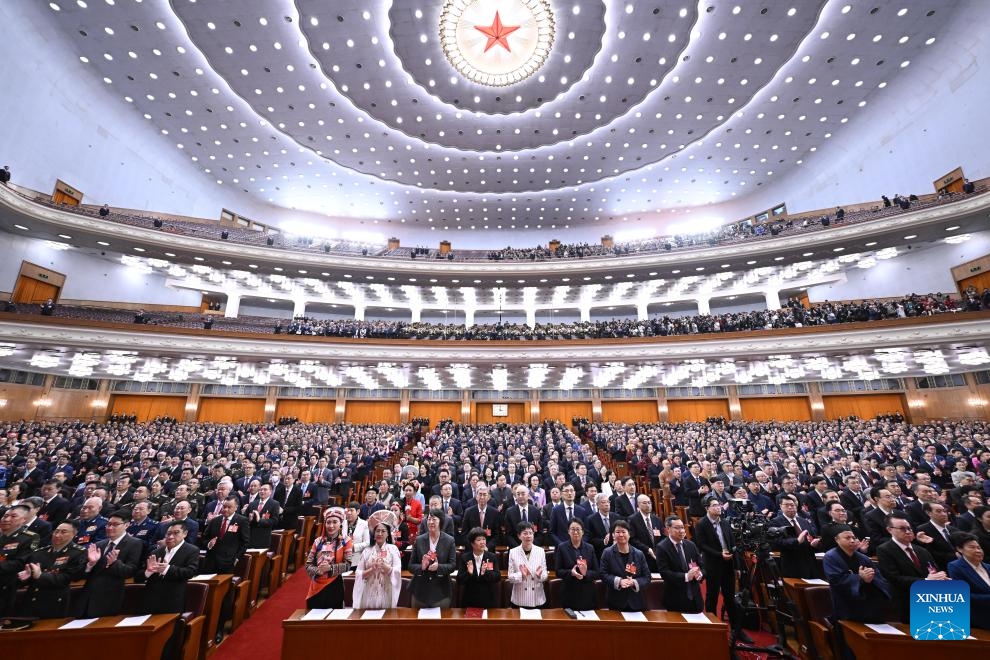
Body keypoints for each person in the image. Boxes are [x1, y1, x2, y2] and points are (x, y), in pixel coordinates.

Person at [876, 511, 948, 623]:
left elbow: (933, 570)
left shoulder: (922, 550)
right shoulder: (884, 550)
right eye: (902, 529)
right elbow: (894, 578)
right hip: (907, 602)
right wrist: (925, 581)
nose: (908, 531)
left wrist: (941, 578)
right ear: (890, 530)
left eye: (909, 528)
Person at [74, 510, 143, 617]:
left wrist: (114, 563)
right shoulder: (99, 544)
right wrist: (91, 564)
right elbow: (79, 573)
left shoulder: (134, 543)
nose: (110, 528)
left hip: (110, 598)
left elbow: (130, 571)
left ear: (126, 525)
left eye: (115, 525)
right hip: (87, 598)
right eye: (109, 524)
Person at [201, 496, 249, 643]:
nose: (226, 509)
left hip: (228, 564)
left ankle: (219, 628)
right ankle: (205, 628)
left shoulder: (241, 521)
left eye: (229, 507)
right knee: (208, 595)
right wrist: (208, 544)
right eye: (224, 507)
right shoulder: (215, 521)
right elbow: (204, 538)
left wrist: (236, 558)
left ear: (236, 507)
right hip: (210, 562)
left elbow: (245, 542)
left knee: (223, 597)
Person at [16, 519, 87, 618]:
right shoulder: (40, 552)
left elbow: (67, 578)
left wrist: (41, 575)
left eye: (63, 532)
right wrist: (26, 578)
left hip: (54, 602)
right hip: (32, 601)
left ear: (74, 534)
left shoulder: (78, 553)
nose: (57, 535)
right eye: (56, 531)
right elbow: (28, 576)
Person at [140, 519, 200, 614]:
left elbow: (190, 572)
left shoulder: (192, 550)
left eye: (176, 533)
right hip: (150, 600)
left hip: (173, 601)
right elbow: (139, 577)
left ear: (185, 534)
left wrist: (167, 569)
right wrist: (148, 572)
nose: (170, 537)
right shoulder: (155, 552)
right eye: (168, 533)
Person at [305, 507, 353, 609]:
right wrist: (319, 570)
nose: (331, 526)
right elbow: (308, 565)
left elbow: (348, 565)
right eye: (328, 522)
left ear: (340, 524)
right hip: (316, 587)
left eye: (335, 522)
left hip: (335, 586)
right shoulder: (318, 542)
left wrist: (330, 568)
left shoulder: (346, 541)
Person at [353, 510, 402, 609]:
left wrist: (387, 568)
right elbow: (358, 573)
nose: (380, 533)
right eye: (377, 531)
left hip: (387, 592)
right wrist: (372, 570)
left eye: (383, 531)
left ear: (388, 534)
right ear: (374, 534)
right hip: (368, 593)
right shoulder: (367, 551)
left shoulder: (393, 549)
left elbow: (397, 571)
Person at [655, 515, 704, 613]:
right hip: (676, 599)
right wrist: (686, 576)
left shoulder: (691, 545)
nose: (681, 531)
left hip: (695, 598)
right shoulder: (662, 547)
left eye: (682, 527)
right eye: (677, 528)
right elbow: (665, 573)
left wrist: (700, 574)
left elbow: (702, 566)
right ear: (668, 529)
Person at [409, 508, 457, 608]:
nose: (431, 522)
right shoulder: (419, 540)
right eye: (429, 519)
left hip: (441, 591)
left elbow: (452, 565)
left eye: (434, 519)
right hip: (420, 591)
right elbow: (411, 566)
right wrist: (421, 567)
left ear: (441, 521)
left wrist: (438, 567)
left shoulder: (449, 540)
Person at [0, 504, 41, 615]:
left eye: (13, 516)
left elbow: (19, 563)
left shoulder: (29, 538)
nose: (6, 519)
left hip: (6, 587)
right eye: (5, 516)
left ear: (24, 519)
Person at [601, 520, 649, 611]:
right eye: (617, 532)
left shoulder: (639, 554)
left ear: (629, 534)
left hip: (636, 602)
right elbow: (603, 574)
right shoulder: (607, 553)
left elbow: (647, 577)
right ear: (613, 535)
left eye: (623, 532)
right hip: (615, 601)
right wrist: (619, 581)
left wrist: (634, 582)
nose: (621, 535)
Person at [946, 532, 990, 630]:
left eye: (979, 547)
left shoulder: (988, 567)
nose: (978, 550)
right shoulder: (956, 567)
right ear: (960, 549)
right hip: (978, 619)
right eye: (972, 547)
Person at [770, 494, 820, 578]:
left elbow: (812, 537)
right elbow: (777, 542)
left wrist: (814, 544)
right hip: (792, 564)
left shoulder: (804, 521)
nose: (790, 507)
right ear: (781, 506)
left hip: (810, 563)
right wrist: (796, 541)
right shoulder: (775, 522)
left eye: (792, 505)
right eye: (786, 505)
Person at [555, 518, 600, 611]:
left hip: (587, 593)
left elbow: (596, 572)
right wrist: (571, 573)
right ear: (568, 531)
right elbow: (558, 571)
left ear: (582, 532)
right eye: (572, 529)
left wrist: (585, 573)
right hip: (569, 592)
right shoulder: (561, 547)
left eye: (578, 529)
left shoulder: (590, 548)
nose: (575, 532)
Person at [506, 521, 547, 608]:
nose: (528, 536)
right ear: (519, 536)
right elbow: (510, 577)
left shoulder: (540, 551)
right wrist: (521, 575)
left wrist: (539, 576)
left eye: (530, 533)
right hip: (519, 599)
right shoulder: (513, 552)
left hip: (537, 598)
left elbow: (545, 575)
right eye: (525, 533)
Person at [457, 527, 500, 608]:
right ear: (472, 543)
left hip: (488, 600)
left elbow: (497, 577)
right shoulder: (465, 558)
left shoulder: (491, 557)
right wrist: (468, 573)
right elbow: (459, 580)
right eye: (479, 540)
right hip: (470, 601)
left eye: (484, 539)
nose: (482, 542)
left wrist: (486, 573)